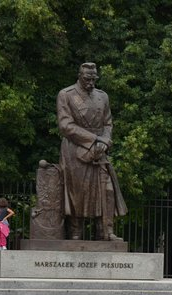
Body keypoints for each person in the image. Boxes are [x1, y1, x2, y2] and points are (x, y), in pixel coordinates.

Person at [57, 62, 127, 241]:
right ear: (80, 76)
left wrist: (105, 141)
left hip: (99, 151)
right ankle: (75, 232)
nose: (91, 82)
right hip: (76, 150)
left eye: (94, 79)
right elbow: (65, 125)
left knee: (107, 190)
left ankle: (106, 231)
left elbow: (108, 123)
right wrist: (94, 139)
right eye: (87, 79)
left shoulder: (102, 97)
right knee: (78, 192)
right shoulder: (66, 95)